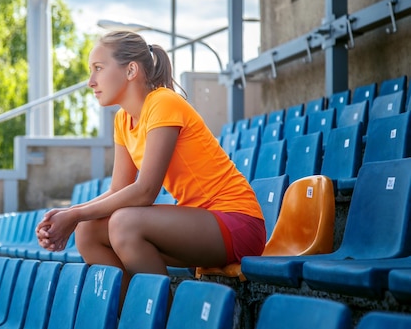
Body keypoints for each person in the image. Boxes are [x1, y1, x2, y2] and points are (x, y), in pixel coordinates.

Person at [35, 30, 265, 307]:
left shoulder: (163, 102)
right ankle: (138, 315)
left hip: (236, 222)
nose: (90, 81)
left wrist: (74, 214)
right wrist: (72, 215)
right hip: (199, 226)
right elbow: (118, 189)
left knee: (123, 223)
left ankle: (167, 320)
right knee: (87, 231)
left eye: (98, 68)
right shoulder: (123, 120)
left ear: (131, 70)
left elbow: (145, 192)